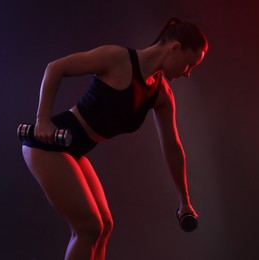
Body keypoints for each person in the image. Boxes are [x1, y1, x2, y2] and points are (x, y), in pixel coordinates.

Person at [21, 17, 208, 260]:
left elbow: (173, 147)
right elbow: (55, 68)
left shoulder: (161, 95)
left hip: (74, 149)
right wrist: (43, 119)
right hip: (49, 145)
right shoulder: (118, 59)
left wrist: (185, 200)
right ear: (174, 48)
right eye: (189, 65)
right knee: (89, 228)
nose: (188, 74)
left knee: (105, 226)